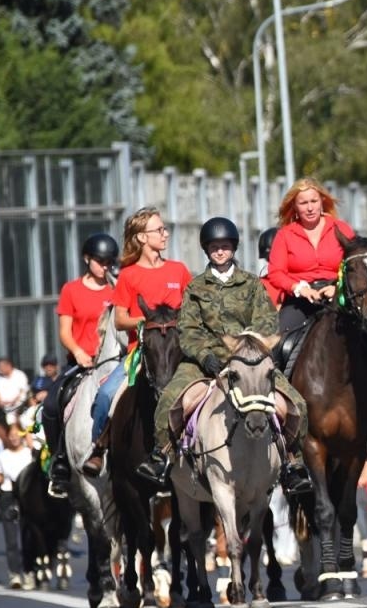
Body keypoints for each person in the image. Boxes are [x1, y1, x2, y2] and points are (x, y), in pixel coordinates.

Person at [139, 217, 313, 497]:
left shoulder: (252, 285)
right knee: (171, 399)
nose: (220, 251)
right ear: (207, 250)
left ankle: (294, 463)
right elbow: (188, 329)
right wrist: (205, 355)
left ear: (234, 248)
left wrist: (247, 352)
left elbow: (267, 323)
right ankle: (162, 455)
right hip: (205, 363)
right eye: (214, 247)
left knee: (297, 404)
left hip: (249, 363)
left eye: (225, 246)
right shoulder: (196, 288)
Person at [264, 179, 367, 463]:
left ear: (323, 202)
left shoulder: (341, 229)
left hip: (337, 297)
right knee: (278, 346)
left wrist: (335, 285)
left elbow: (355, 263)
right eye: (303, 203)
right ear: (294, 208)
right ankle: (275, 416)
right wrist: (301, 288)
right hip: (300, 300)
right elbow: (276, 273)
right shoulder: (286, 235)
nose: (309, 207)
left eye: (314, 201)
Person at [83, 208, 191, 477]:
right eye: (159, 230)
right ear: (142, 238)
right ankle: (99, 447)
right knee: (106, 394)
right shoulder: (129, 276)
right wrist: (147, 324)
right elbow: (120, 320)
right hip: (142, 353)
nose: (165, 234)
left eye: (164, 229)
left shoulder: (179, 270)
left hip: (178, 353)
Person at [45, 232, 118, 491]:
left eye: (110, 261)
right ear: (87, 259)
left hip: (114, 362)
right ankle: (60, 461)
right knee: (52, 403)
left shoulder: (116, 289)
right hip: (81, 361)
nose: (105, 266)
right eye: (100, 261)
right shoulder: (71, 289)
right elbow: (65, 331)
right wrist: (78, 352)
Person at [0, 422, 33, 588]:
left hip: (27, 496)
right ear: (7, 436)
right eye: (11, 434)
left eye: (17, 434)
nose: (14, 437)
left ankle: (29, 572)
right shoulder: (2, 456)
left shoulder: (29, 454)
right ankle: (14, 574)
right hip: (7, 496)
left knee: (28, 536)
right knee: (11, 538)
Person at [0, 356, 30, 434]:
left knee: (13, 418)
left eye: (1, 367)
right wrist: (0, 402)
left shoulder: (19, 375)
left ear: (8, 365)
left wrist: (12, 402)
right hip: (2, 408)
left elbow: (23, 391)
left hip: (18, 406)